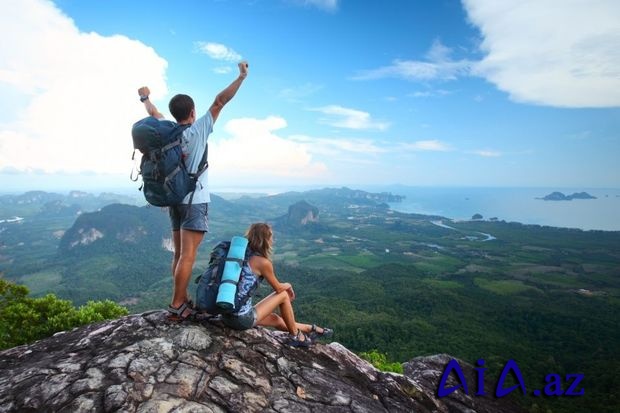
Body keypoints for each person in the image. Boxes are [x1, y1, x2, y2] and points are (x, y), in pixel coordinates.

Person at [138, 61, 249, 321]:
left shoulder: (168, 133)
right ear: (192, 111)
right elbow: (220, 101)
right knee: (188, 255)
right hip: (194, 201)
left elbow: (154, 115)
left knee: (178, 254)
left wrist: (145, 98)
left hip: (174, 200)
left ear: (174, 113)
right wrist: (241, 77)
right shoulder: (198, 130)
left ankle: (181, 297)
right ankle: (178, 304)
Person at [222, 222, 333, 347]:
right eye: (271, 237)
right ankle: (296, 336)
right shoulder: (262, 262)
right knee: (284, 295)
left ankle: (310, 329)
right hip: (241, 319)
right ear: (266, 239)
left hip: (226, 316)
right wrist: (288, 285)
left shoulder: (239, 256)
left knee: (275, 319)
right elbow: (279, 288)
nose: (272, 240)